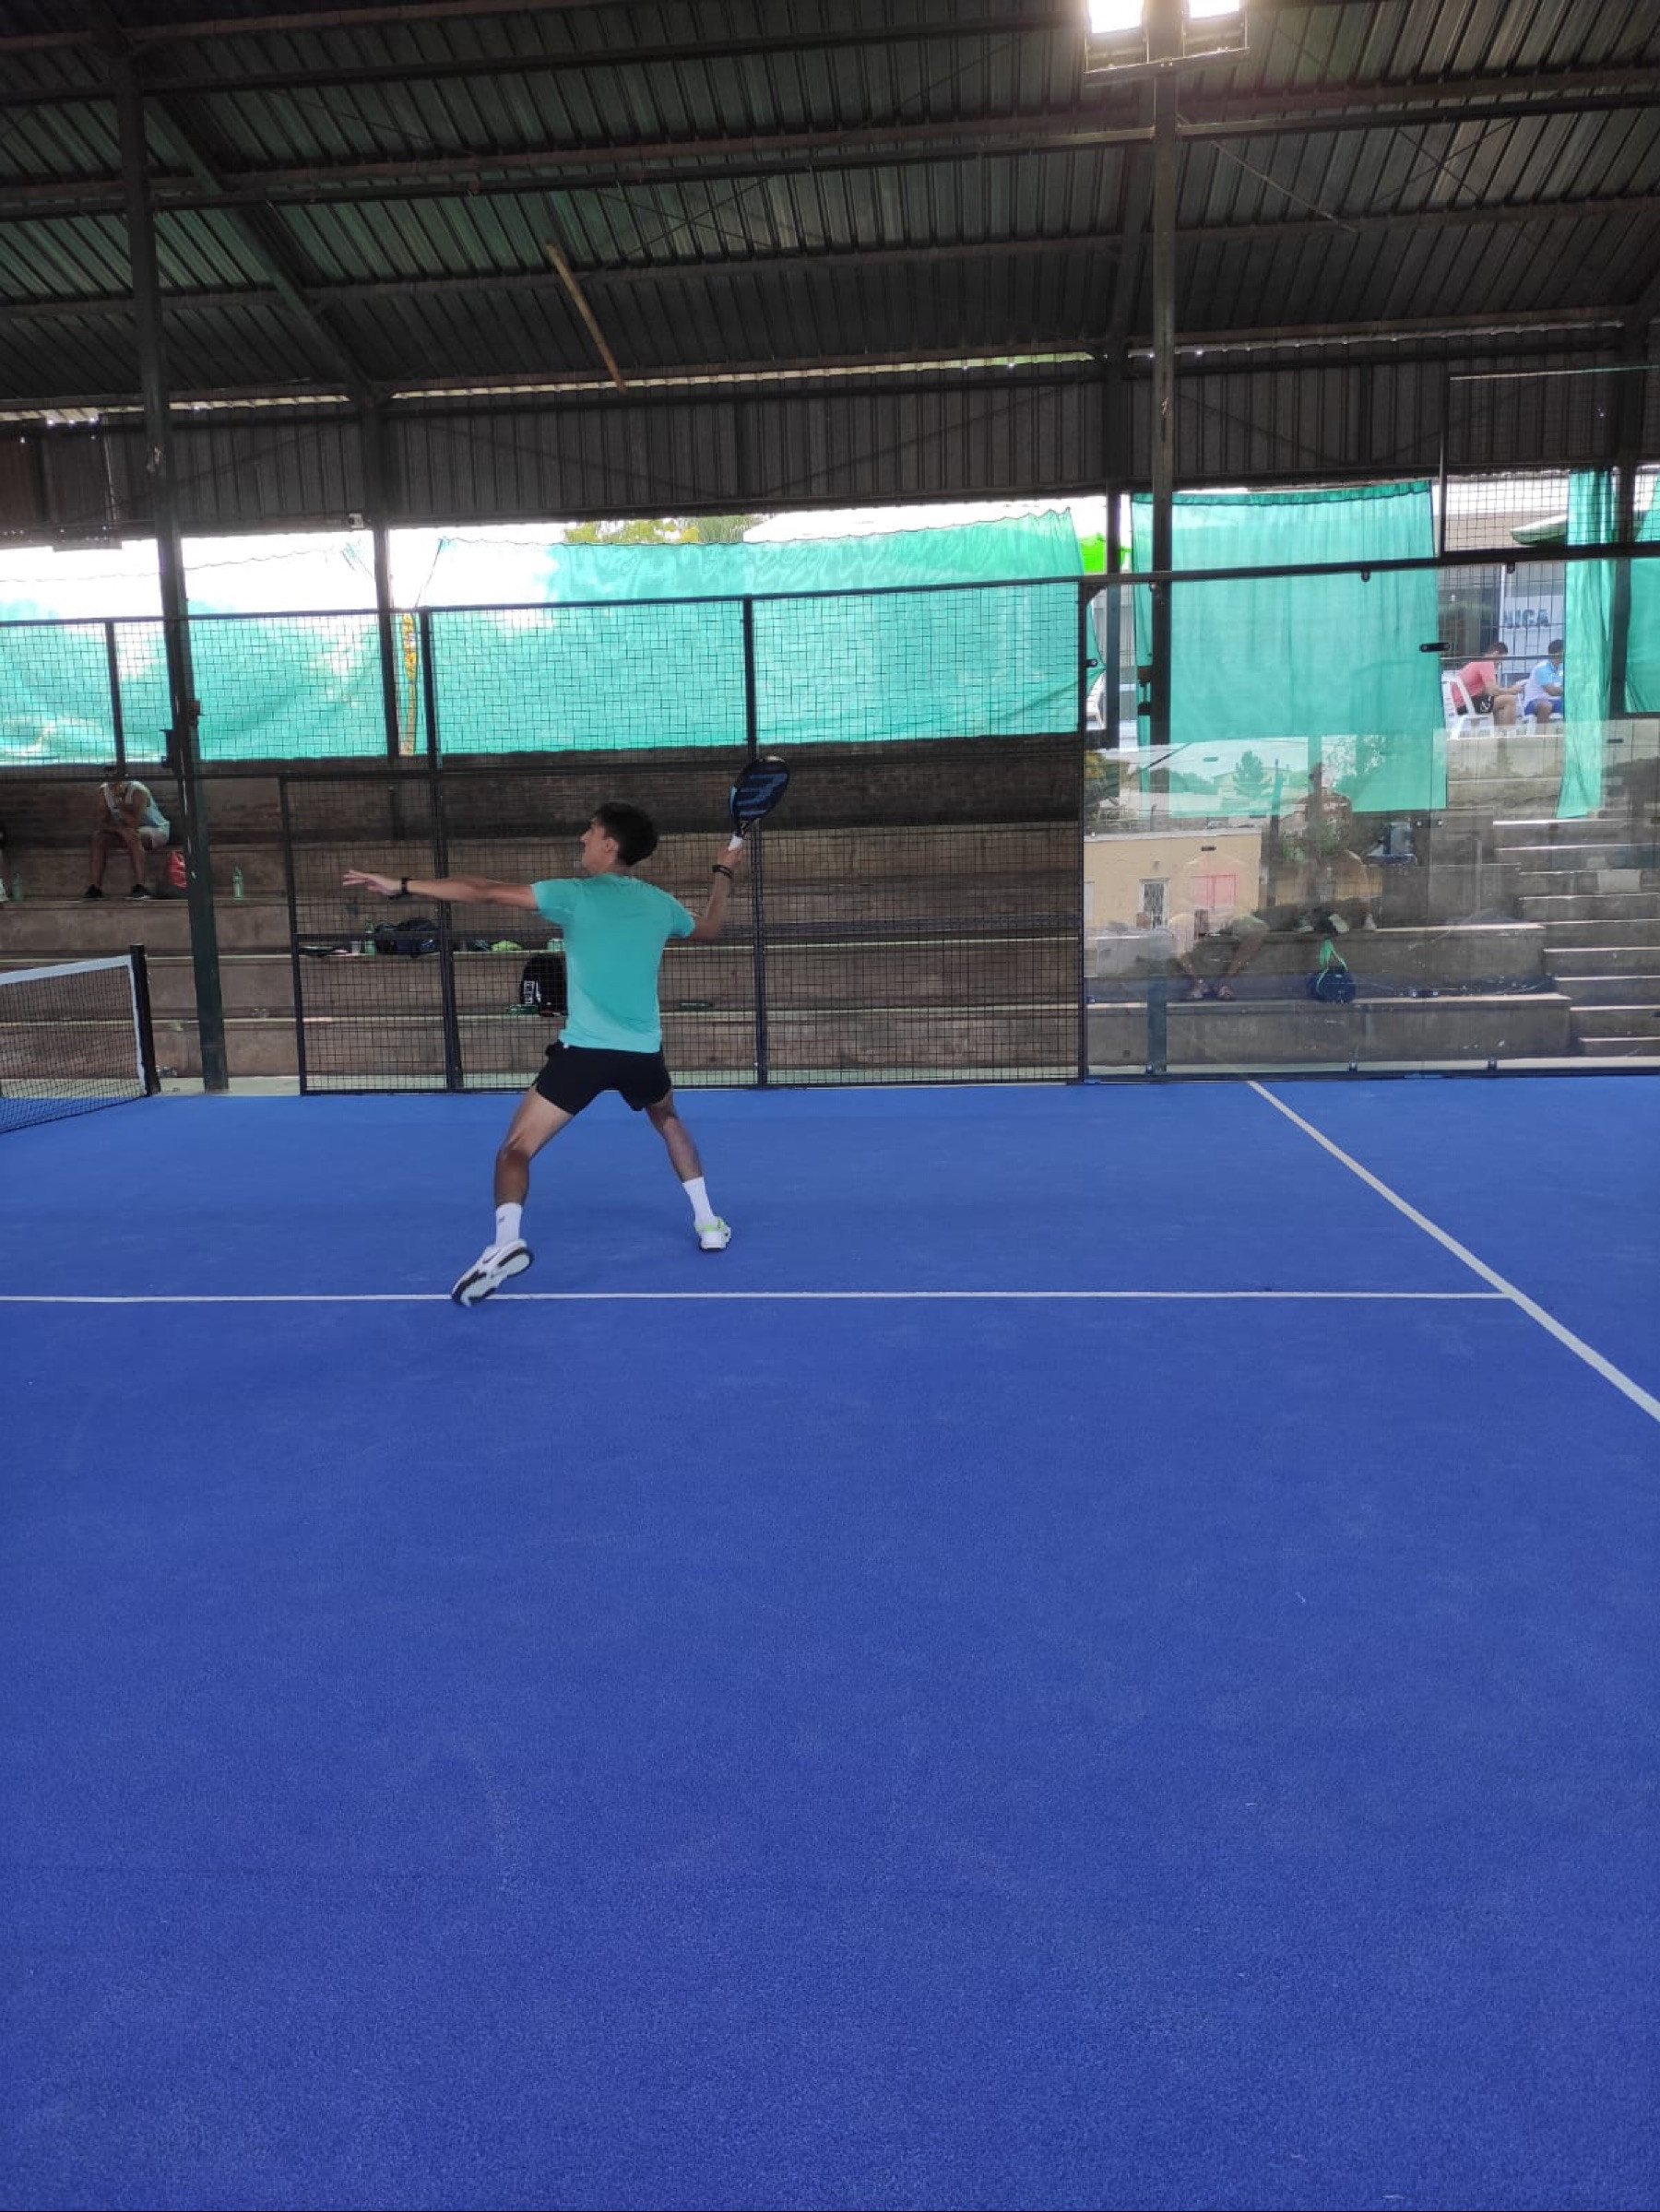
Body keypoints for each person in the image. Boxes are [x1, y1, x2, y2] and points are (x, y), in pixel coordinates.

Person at [343, 800, 745, 1307]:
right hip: (642, 1053)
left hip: (585, 1054)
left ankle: (506, 1242)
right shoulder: (660, 904)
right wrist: (723, 872)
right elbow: (709, 928)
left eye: (591, 831)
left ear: (610, 845)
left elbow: (483, 891)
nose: (582, 838)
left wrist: (402, 885)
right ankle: (708, 1223)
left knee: (515, 1149)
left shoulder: (573, 895)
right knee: (667, 1119)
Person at [87, 770, 169, 898]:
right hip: (122, 830)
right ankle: (95, 888)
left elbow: (134, 823)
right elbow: (101, 823)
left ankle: (141, 886)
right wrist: (119, 830)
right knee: (98, 838)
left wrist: (119, 804)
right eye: (108, 776)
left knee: (133, 836)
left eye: (115, 776)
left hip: (155, 829)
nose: (112, 781)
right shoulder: (104, 791)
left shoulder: (138, 791)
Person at [1452, 638, 1524, 725]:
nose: (1500, 663)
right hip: (1466, 705)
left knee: (1499, 704)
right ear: (1496, 654)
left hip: (1461, 704)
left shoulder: (1478, 661)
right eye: (1502, 659)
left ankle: (1500, 732)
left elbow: (1487, 691)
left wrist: (1503, 692)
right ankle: (1510, 732)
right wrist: (1511, 691)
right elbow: (1492, 691)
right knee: (1510, 700)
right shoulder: (1487, 662)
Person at [1520, 640, 1565, 723]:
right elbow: (1552, 691)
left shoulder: (1563, 666)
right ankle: (1542, 731)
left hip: (1556, 701)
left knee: (1576, 703)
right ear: (1558, 653)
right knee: (1546, 706)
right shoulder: (1541, 668)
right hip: (1534, 702)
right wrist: (1572, 691)